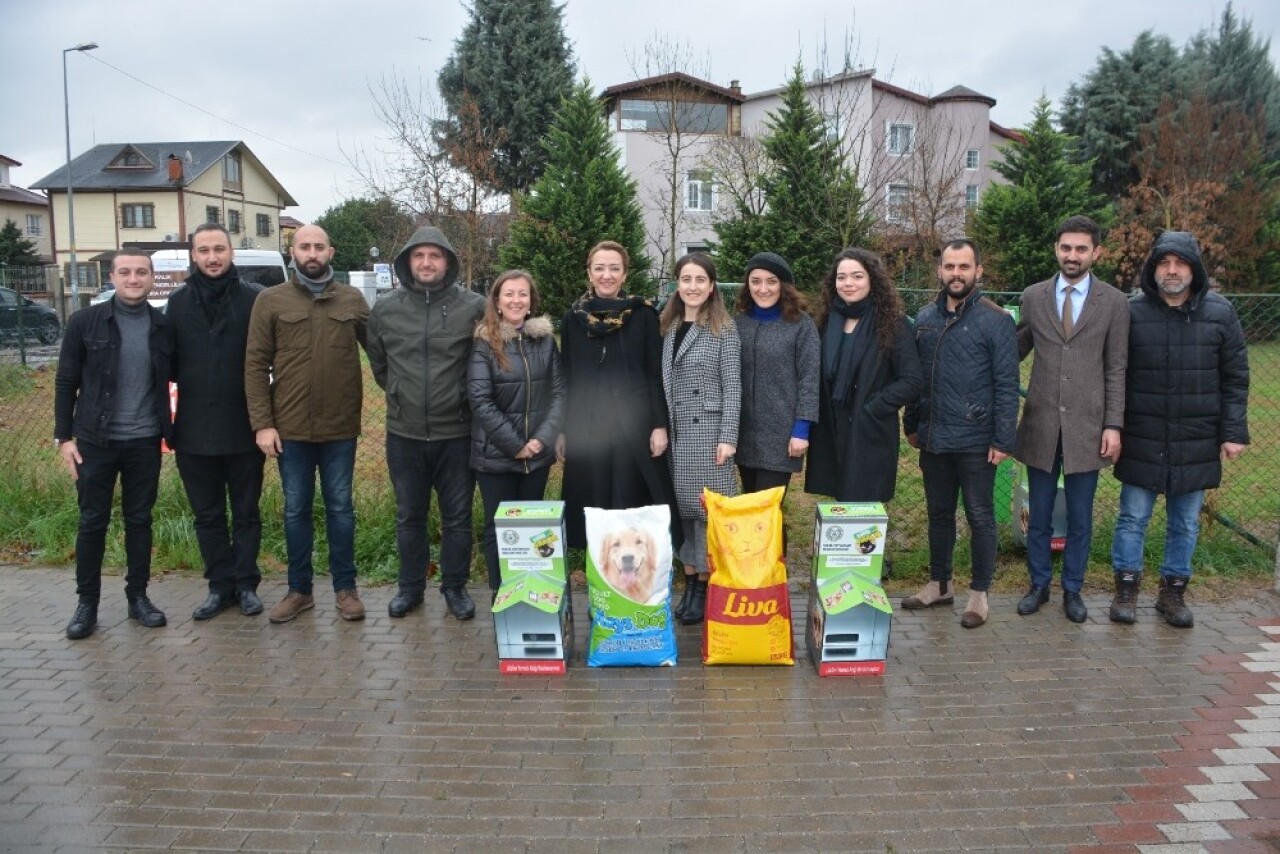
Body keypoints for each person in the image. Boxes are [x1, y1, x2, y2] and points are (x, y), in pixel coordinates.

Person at [1110, 231, 1249, 628]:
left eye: (1180, 263)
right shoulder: (1131, 312)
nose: (1171, 271)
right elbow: (1115, 374)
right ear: (1152, 269)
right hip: (1143, 435)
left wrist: (1233, 430)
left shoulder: (1220, 314)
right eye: (1164, 263)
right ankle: (1126, 589)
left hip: (1196, 437)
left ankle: (1172, 593)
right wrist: (1114, 427)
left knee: (1185, 521)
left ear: (1194, 269)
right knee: (1132, 517)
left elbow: (1236, 377)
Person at [244, 225, 370, 624]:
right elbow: (254, 365)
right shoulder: (271, 300)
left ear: (331, 251)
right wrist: (263, 423)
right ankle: (299, 591)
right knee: (295, 510)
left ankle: (345, 589)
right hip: (291, 429)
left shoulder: (352, 299)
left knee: (341, 509)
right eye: (304, 247)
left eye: (319, 246)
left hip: (339, 428)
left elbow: (381, 354)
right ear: (292, 251)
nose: (312, 253)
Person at [1014, 215, 1130, 624]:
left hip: (1088, 427)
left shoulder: (1114, 303)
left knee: (1080, 516)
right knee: (1039, 514)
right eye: (1066, 248)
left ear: (1095, 252)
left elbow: (1116, 367)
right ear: (1056, 249)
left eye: (1081, 249)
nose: (1072, 256)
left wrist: (1113, 424)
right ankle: (1039, 584)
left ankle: (1073, 590)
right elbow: (1015, 350)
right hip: (1041, 423)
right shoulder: (1034, 296)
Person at [54, 249, 174, 639]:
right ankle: (86, 603)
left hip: (144, 441)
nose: (134, 279)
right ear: (112, 277)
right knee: (93, 521)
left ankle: (137, 598)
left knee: (140, 521)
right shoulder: (84, 322)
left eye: (142, 272)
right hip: (94, 440)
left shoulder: (162, 326)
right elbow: (65, 381)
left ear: (152, 278)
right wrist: (64, 437)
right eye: (126, 272)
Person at [368, 226, 485, 621]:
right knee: (409, 516)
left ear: (448, 261)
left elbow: (486, 361)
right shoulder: (386, 309)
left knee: (458, 517)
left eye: (435, 256)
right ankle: (410, 588)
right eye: (419, 256)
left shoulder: (474, 306)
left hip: (457, 432)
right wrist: (401, 393)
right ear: (407, 262)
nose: (426, 263)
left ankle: (454, 587)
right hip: (405, 433)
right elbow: (379, 365)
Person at [902, 239, 1018, 629]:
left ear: (978, 271)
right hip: (933, 436)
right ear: (940, 271)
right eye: (949, 266)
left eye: (964, 267)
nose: (956, 273)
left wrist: (1003, 439)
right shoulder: (925, 318)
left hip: (976, 439)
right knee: (939, 514)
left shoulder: (996, 319)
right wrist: (912, 423)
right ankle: (940, 583)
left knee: (980, 516)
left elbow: (1007, 383)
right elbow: (917, 378)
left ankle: (979, 594)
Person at [168, 223, 265, 621]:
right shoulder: (177, 303)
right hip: (192, 431)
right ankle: (218, 586)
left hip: (244, 427)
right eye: (204, 250)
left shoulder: (254, 300)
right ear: (193, 255)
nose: (212, 257)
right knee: (207, 515)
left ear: (231, 253)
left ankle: (246, 585)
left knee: (246, 513)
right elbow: (166, 365)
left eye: (219, 249)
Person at [557, 240, 678, 552]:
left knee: (629, 501)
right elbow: (567, 377)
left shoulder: (642, 315)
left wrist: (659, 424)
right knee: (593, 504)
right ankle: (600, 574)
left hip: (632, 427)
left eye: (614, 268)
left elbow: (654, 373)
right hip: (587, 428)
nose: (606, 275)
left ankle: (634, 576)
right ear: (589, 273)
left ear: (625, 274)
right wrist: (561, 430)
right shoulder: (573, 318)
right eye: (599, 268)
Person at [468, 269, 565, 599]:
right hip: (496, 458)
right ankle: (503, 597)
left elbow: (560, 394)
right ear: (496, 301)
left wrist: (540, 441)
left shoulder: (546, 341)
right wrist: (516, 445)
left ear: (531, 301)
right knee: (499, 531)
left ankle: (532, 596)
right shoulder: (484, 344)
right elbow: (480, 400)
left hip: (537, 458)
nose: (515, 300)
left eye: (522, 294)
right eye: (508, 294)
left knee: (534, 532)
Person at [805, 248, 923, 510]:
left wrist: (873, 407)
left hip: (869, 429)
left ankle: (867, 553)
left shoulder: (893, 324)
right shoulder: (825, 322)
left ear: (872, 280)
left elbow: (912, 380)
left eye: (857, 276)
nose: (848, 283)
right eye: (841, 277)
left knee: (864, 508)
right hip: (832, 428)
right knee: (842, 503)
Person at [659, 253, 741, 625]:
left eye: (700, 280)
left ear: (711, 287)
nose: (693, 286)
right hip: (675, 434)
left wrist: (728, 436)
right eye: (686, 279)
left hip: (709, 435)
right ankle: (689, 583)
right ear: (678, 284)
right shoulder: (667, 325)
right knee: (685, 515)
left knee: (707, 515)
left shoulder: (723, 328)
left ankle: (706, 589)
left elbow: (733, 386)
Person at [733, 252, 820, 499]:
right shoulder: (737, 324)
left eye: (771, 281)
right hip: (744, 434)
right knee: (750, 508)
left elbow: (809, 380)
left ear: (783, 286)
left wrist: (801, 430)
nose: (763, 289)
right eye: (756, 281)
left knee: (768, 510)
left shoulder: (801, 326)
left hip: (781, 435)